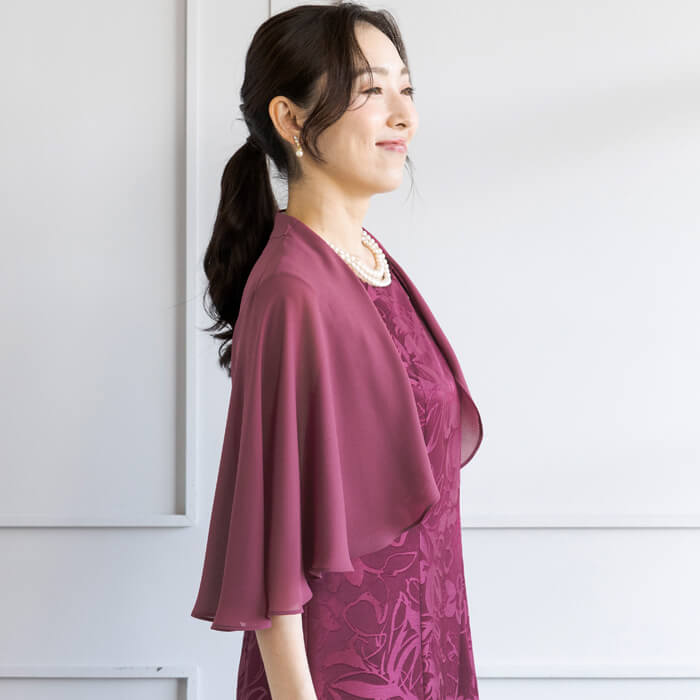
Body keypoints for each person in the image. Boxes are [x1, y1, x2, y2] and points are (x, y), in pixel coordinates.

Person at [190, 2, 484, 698]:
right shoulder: (292, 289)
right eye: (370, 91)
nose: (404, 117)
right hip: (341, 674)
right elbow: (270, 552)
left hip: (426, 651)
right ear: (291, 120)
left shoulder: (370, 261)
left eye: (406, 88)